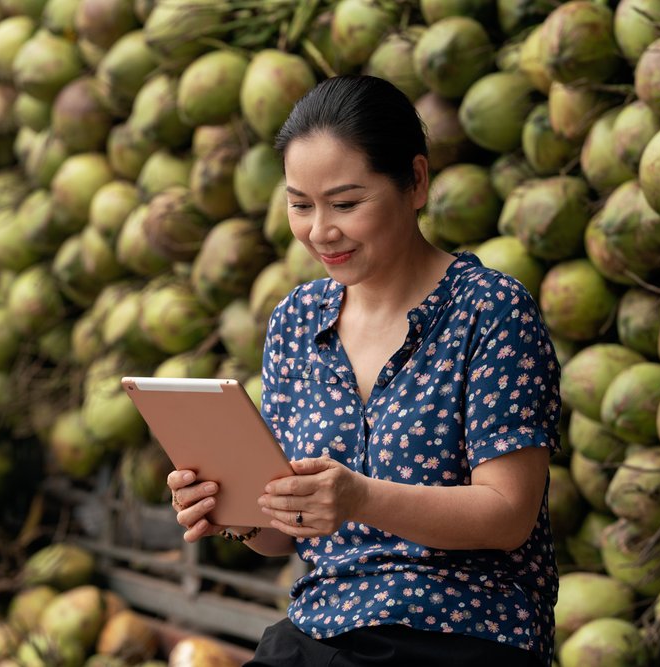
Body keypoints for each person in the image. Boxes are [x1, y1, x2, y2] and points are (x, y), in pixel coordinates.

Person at [167, 75, 559, 667]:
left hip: (464, 636)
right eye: (301, 204)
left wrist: (359, 498)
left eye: (347, 204)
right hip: (321, 631)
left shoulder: (491, 309)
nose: (321, 231)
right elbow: (283, 533)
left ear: (416, 181)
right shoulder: (295, 322)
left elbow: (508, 514)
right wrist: (236, 510)